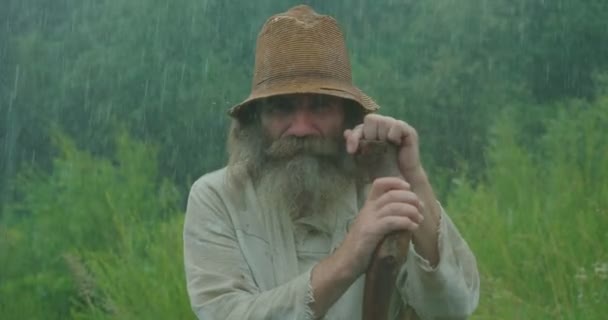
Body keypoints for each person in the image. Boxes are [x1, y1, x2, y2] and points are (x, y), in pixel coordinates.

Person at [183, 4, 479, 320]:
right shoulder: (219, 197)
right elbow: (224, 314)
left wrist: (412, 179)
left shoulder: (379, 189)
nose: (301, 128)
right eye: (282, 108)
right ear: (256, 120)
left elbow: (453, 307)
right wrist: (349, 258)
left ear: (347, 118)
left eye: (321, 107)